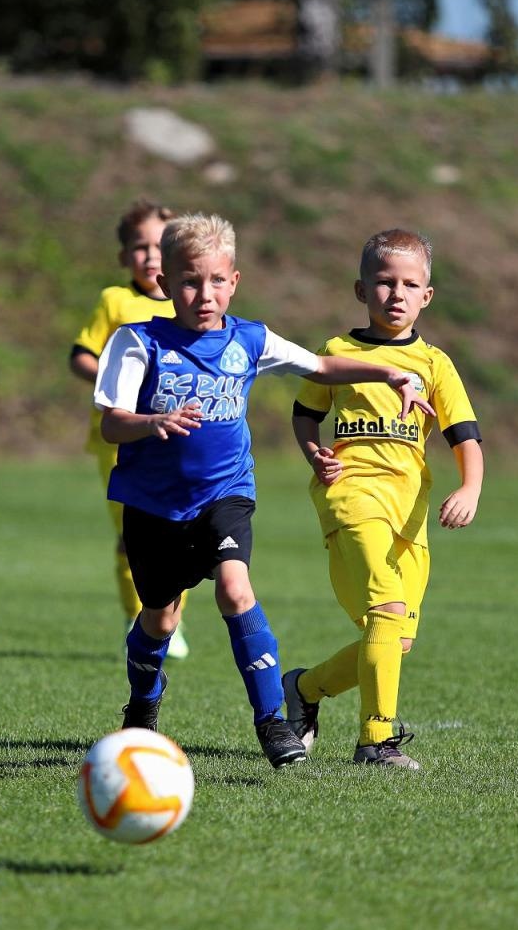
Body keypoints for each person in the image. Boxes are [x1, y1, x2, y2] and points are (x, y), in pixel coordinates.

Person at [92, 213, 433, 768]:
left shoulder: (248, 338)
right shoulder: (137, 342)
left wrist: (383, 374)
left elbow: (320, 366)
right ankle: (142, 707)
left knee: (235, 590)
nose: (205, 293)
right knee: (160, 617)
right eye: (189, 281)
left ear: (234, 281)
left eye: (217, 281)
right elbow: (111, 422)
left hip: (225, 494)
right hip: (154, 503)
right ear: (164, 283)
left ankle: (274, 721)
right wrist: (150, 422)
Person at [280, 229, 483, 770]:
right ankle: (376, 742)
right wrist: (313, 453)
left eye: (409, 284)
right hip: (350, 497)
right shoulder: (337, 353)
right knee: (386, 612)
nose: (396, 293)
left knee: (394, 638)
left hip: (409, 512)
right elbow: (305, 412)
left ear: (427, 296)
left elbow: (464, 434)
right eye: (384, 282)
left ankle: (304, 690)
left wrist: (470, 487)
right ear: (360, 289)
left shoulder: (434, 363)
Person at [68, 199, 189, 658]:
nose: (151, 255)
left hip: (177, 437)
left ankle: (168, 618)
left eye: (161, 245)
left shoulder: (191, 302)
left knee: (182, 532)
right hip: (119, 439)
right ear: (124, 257)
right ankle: (139, 615)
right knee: (134, 536)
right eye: (140, 247)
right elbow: (81, 354)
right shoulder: (115, 301)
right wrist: (117, 383)